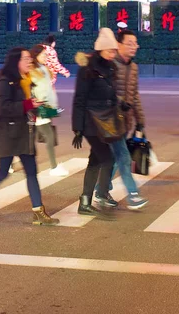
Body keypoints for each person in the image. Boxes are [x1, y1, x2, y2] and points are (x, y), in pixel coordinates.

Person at [0, 47, 59, 225]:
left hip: (24, 132)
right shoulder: (5, 81)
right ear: (15, 61)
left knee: (31, 171)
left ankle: (38, 212)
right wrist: (28, 104)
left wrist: (37, 107)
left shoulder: (25, 80)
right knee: (2, 172)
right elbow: (3, 108)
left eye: (29, 59)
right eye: (25, 58)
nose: (29, 61)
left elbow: (25, 106)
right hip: (8, 133)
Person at [87, 28, 148, 210]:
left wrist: (140, 119)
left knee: (113, 158)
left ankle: (100, 190)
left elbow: (134, 95)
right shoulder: (110, 65)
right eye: (129, 43)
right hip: (109, 120)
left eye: (135, 43)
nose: (134, 47)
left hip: (124, 120)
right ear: (118, 45)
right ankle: (133, 195)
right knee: (123, 157)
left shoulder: (134, 67)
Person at [72, 28, 117, 216]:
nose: (113, 54)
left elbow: (111, 93)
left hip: (106, 119)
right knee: (107, 158)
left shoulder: (110, 67)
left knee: (96, 160)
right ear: (100, 49)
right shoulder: (88, 69)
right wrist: (78, 129)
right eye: (110, 50)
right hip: (91, 122)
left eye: (114, 50)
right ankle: (99, 194)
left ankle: (86, 200)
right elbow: (79, 98)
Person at [29, 44, 68, 177]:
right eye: (43, 55)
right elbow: (33, 90)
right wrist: (37, 104)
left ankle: (10, 162)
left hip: (48, 107)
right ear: (36, 56)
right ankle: (54, 167)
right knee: (49, 136)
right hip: (40, 108)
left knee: (30, 136)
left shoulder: (43, 68)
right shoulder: (32, 70)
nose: (46, 57)